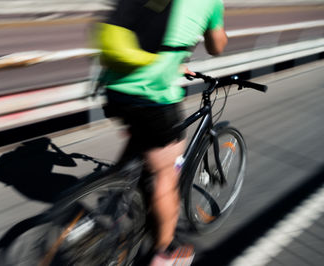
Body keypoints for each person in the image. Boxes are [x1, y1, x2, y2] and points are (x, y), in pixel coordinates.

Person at [95, 0, 227, 264]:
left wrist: (176, 63)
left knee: (141, 144)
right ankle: (165, 254)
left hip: (114, 88)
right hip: (153, 98)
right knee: (166, 174)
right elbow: (216, 46)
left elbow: (152, 33)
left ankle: (115, 192)